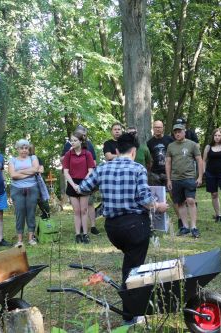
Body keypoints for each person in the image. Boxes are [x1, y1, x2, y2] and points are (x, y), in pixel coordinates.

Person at [76, 133, 168, 325]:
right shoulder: (137, 168)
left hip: (113, 229)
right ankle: (131, 316)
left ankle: (133, 307)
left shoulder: (102, 167)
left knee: (130, 262)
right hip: (135, 226)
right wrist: (159, 206)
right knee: (133, 270)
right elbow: (144, 199)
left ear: (117, 150)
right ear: (133, 151)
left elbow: (83, 188)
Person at [166, 123, 203, 238]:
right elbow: (168, 163)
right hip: (175, 179)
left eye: (179, 131)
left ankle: (194, 227)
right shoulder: (170, 146)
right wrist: (168, 180)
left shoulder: (192, 145)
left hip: (189, 177)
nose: (177, 133)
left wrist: (200, 176)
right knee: (180, 203)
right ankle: (185, 227)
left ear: (184, 132)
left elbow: (199, 160)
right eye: (175, 132)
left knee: (191, 200)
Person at [61, 125, 100, 235]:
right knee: (76, 211)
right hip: (72, 184)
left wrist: (82, 184)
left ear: (80, 141)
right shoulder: (68, 154)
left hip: (85, 183)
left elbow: (91, 169)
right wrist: (74, 186)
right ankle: (78, 234)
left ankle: (85, 234)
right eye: (71, 141)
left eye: (74, 141)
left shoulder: (87, 153)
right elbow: (65, 171)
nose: (72, 143)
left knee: (84, 210)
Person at [8, 139, 39, 246]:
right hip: (17, 189)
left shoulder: (33, 158)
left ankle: (31, 238)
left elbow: (35, 169)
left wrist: (20, 172)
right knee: (20, 213)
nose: (24, 150)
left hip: (32, 188)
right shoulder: (12, 160)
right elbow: (12, 175)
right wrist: (29, 173)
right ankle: (20, 240)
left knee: (31, 213)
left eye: (26, 148)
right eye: (22, 148)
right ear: (17, 149)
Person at [202, 128, 221, 223]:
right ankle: (218, 215)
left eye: (219, 135)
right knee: (214, 194)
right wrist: (204, 172)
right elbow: (204, 160)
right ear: (213, 136)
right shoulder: (208, 147)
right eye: (215, 135)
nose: (217, 137)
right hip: (210, 173)